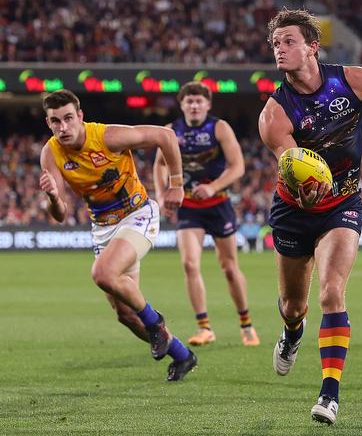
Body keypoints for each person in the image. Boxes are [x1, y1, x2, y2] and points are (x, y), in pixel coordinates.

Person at [258, 8, 362, 425]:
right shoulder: (274, 114)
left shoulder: (354, 80)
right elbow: (292, 164)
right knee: (293, 306)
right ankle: (292, 334)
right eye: (276, 44)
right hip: (295, 210)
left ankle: (329, 395)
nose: (280, 49)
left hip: (343, 205)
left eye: (289, 41)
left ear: (313, 46)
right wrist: (308, 183)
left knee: (332, 292)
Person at [39, 89, 197, 381]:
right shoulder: (51, 154)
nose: (63, 127)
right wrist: (51, 197)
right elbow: (60, 215)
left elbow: (165, 136)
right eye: (55, 121)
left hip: (137, 215)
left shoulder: (107, 136)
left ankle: (156, 323)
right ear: (48, 123)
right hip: (102, 229)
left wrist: (176, 183)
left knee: (102, 273)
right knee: (125, 314)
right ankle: (183, 355)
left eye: (68, 119)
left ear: (80, 117)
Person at [153, 82, 260, 347]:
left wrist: (213, 187)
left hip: (218, 203)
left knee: (229, 267)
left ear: (208, 105)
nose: (194, 105)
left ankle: (246, 325)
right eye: (189, 101)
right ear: (182, 105)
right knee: (190, 264)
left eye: (199, 101)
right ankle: (204, 327)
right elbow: (159, 164)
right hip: (189, 206)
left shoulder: (219, 127)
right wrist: (161, 193)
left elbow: (237, 167)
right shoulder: (170, 131)